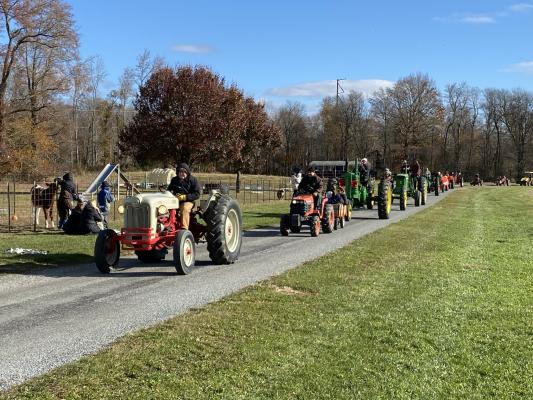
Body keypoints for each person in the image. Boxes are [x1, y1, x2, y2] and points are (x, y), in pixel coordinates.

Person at [167, 163, 201, 230]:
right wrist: (173, 195)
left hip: (189, 201)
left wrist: (185, 197)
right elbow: (169, 190)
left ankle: (184, 229)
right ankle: (167, 226)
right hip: (175, 201)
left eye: (184, 172)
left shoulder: (193, 180)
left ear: (187, 172)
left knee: (184, 208)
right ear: (178, 172)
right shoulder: (174, 180)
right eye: (180, 171)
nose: (182, 173)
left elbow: (197, 194)